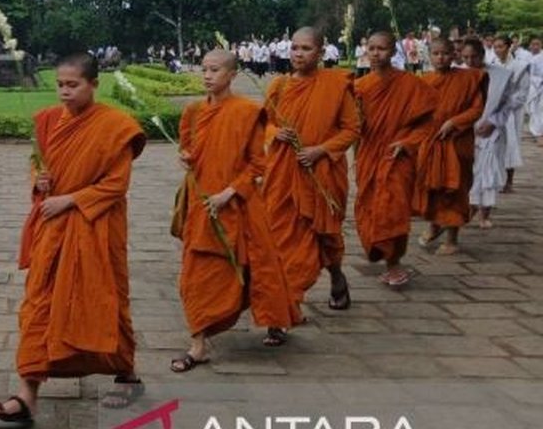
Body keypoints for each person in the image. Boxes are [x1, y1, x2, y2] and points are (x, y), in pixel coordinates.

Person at [0, 53, 146, 424]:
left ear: (94, 85)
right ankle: (28, 394)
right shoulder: (46, 121)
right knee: (39, 303)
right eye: (60, 85)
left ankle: (127, 372)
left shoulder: (116, 126)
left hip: (96, 226)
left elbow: (116, 186)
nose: (64, 92)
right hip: (52, 228)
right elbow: (38, 163)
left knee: (106, 299)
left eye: (73, 85)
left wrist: (70, 200)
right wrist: (39, 180)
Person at [173, 49, 301, 370]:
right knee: (196, 274)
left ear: (232, 74)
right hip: (202, 206)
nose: (207, 75)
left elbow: (258, 164)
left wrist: (229, 193)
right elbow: (187, 149)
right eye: (204, 69)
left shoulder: (247, 112)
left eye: (215, 70)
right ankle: (198, 342)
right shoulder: (192, 112)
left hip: (239, 203)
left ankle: (275, 319)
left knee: (259, 265)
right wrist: (186, 158)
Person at [263, 27, 361, 312]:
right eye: (294, 48)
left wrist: (320, 150)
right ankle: (284, 307)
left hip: (322, 174)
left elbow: (352, 128)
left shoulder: (335, 85)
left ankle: (336, 275)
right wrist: (274, 133)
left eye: (306, 48)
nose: (298, 54)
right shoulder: (279, 86)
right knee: (281, 238)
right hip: (282, 175)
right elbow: (262, 123)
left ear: (320, 52)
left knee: (325, 235)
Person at [354, 31, 437, 287]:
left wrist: (408, 142)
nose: (376, 54)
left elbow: (427, 122)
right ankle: (380, 248)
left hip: (397, 156)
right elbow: (353, 127)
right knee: (368, 208)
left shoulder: (409, 84)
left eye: (382, 49)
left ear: (393, 52)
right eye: (371, 48)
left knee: (394, 208)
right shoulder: (360, 87)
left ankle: (394, 262)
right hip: (369, 156)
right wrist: (355, 156)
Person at [414, 38, 485, 255]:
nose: (440, 58)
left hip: (457, 142)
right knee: (432, 187)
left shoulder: (469, 78)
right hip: (432, 142)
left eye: (445, 53)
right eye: (435, 54)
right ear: (429, 56)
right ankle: (435, 225)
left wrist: (454, 122)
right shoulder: (424, 81)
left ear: (453, 55)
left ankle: (452, 239)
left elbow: (477, 109)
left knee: (455, 188)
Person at [467, 38, 519, 228]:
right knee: (471, 172)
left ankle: (484, 213)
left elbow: (511, 102)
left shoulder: (501, 75)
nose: (470, 61)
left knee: (487, 170)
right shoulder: (461, 75)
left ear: (482, 55)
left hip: (492, 130)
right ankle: (470, 206)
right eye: (466, 57)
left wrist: (493, 122)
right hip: (467, 130)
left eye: (474, 56)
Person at [490, 36, 530, 193]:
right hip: (494, 110)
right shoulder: (492, 66)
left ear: (508, 47)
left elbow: (523, 92)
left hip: (512, 112)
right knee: (493, 144)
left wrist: (506, 102)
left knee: (511, 144)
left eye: (500, 46)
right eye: (495, 47)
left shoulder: (520, 67)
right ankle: (494, 179)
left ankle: (509, 181)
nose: (497, 50)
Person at [525, 37, 543, 145]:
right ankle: (538, 134)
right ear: (530, 46)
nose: (535, 46)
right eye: (533, 44)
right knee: (536, 111)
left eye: (538, 44)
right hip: (536, 87)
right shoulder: (529, 59)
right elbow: (530, 75)